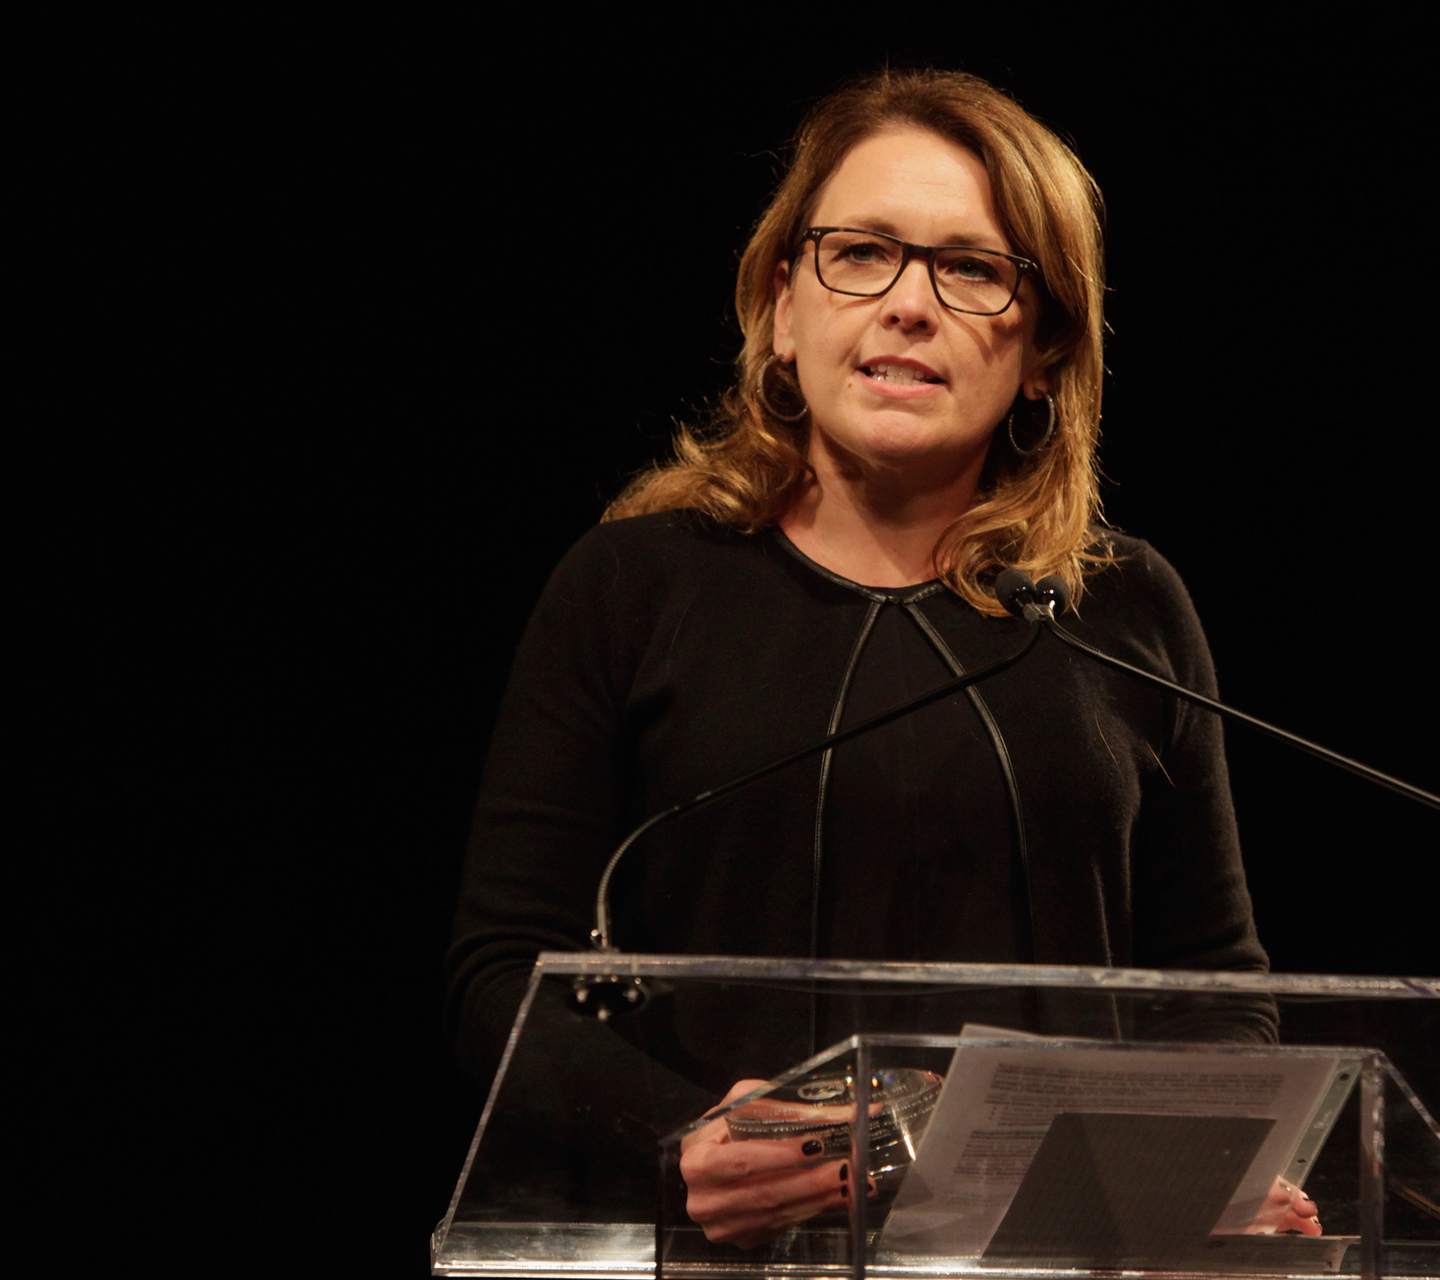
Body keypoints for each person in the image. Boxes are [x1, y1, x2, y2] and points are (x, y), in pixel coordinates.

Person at [447, 68, 1319, 1249]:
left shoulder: (1123, 610)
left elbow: (1217, 985)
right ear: (781, 302)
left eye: (972, 268)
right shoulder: (631, 586)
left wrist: (1196, 1161)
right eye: (863, 251)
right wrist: (673, 1138)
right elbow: (505, 970)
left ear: (1047, 345)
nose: (910, 304)